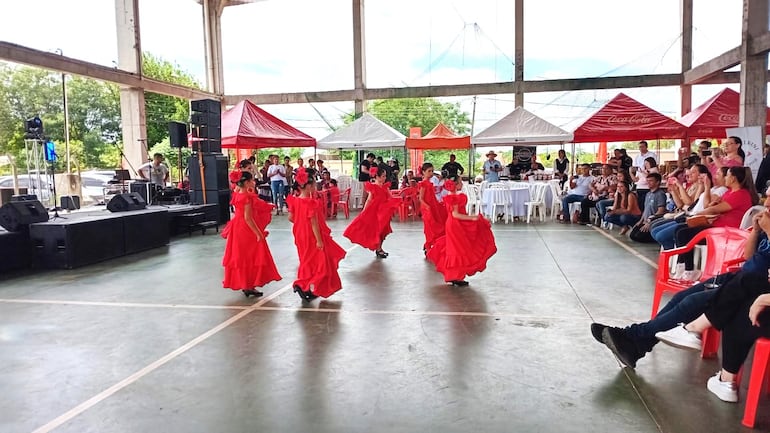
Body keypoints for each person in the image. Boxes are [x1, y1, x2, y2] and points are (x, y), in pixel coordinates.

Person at [591, 195, 770, 370]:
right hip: (740, 278)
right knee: (683, 296)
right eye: (767, 197)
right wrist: (756, 230)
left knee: (693, 302)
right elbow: (748, 257)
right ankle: (637, 345)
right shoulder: (765, 226)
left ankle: (633, 338)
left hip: (754, 288)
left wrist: (769, 231)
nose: (766, 203)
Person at [669, 166, 757, 281]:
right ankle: (683, 266)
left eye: (727, 175)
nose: (725, 178)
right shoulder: (730, 192)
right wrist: (707, 189)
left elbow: (714, 209)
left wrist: (697, 214)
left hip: (725, 233)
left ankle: (689, 270)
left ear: (733, 178)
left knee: (683, 234)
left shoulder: (741, 194)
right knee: (679, 229)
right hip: (716, 227)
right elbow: (708, 206)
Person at [287, 167, 346, 302]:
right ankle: (302, 284)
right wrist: (319, 240)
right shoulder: (310, 203)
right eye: (313, 185)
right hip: (311, 234)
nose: (315, 187)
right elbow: (314, 223)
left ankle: (306, 286)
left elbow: (291, 218)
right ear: (307, 186)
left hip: (299, 233)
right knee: (318, 261)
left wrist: (300, 222)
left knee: (306, 260)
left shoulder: (295, 200)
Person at [426, 177, 497, 286]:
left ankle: (455, 276)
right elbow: (455, 215)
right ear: (456, 185)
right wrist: (473, 218)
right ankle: (456, 276)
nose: (462, 184)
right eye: (460, 182)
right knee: (459, 249)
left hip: (454, 224)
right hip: (456, 225)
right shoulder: (454, 197)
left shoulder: (451, 196)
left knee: (456, 249)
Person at [221, 170, 281, 298]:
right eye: (252, 180)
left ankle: (246, 285)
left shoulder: (237, 193)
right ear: (247, 182)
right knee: (252, 256)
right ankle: (248, 285)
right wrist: (258, 233)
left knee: (242, 257)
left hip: (237, 227)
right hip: (246, 229)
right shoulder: (246, 197)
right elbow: (248, 218)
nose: (254, 182)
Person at [344, 166, 396, 259]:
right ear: (377, 177)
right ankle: (379, 249)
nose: (384, 178)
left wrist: (391, 208)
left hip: (384, 213)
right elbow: (369, 200)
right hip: (375, 213)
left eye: (385, 176)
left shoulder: (385, 187)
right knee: (378, 231)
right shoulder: (373, 187)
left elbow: (390, 197)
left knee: (383, 232)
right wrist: (364, 211)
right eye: (383, 176)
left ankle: (380, 248)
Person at [417, 163, 448, 255]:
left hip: (432, 206)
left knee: (436, 224)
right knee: (430, 227)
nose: (431, 173)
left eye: (432, 171)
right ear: (423, 172)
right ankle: (428, 245)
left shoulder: (429, 183)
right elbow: (421, 198)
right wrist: (427, 206)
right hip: (427, 208)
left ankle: (430, 244)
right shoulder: (423, 183)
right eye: (429, 171)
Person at [628, 173, 667, 243]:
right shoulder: (648, 194)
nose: (648, 183)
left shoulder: (660, 194)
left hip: (653, 222)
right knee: (632, 235)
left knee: (638, 237)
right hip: (645, 222)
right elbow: (645, 210)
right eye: (647, 181)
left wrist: (650, 222)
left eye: (651, 181)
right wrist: (640, 222)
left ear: (657, 182)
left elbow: (661, 211)